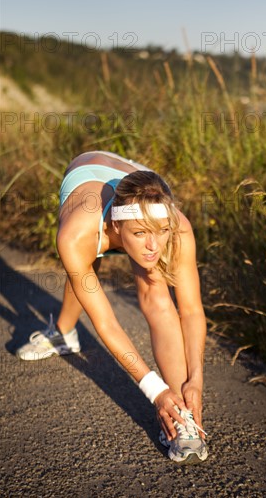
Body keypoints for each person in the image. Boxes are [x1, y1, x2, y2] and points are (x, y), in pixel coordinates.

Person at [16, 150, 208, 465]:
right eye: (141, 234)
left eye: (160, 231)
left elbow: (190, 310)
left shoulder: (176, 227)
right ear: (116, 230)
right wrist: (154, 391)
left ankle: (181, 415)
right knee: (84, 269)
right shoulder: (75, 234)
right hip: (86, 172)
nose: (154, 246)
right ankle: (64, 332)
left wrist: (195, 378)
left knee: (157, 295)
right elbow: (106, 323)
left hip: (136, 178)